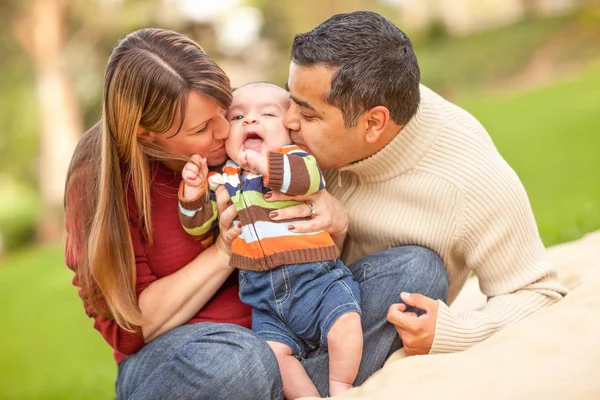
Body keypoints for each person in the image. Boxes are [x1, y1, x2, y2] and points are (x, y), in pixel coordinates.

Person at [64, 28, 449, 399]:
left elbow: (313, 260)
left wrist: (334, 220)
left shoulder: (254, 139)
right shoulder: (99, 179)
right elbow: (131, 329)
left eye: (224, 110)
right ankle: (286, 381)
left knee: (415, 273)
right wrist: (222, 251)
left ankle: (300, 387)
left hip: (293, 320)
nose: (223, 131)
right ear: (148, 134)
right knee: (242, 362)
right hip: (193, 356)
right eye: (201, 128)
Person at [264, 10, 568, 363]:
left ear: (373, 123)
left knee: (416, 270)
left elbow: (537, 291)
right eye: (290, 100)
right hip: (269, 297)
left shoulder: (467, 178)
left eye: (308, 114)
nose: (288, 121)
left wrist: (457, 331)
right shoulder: (286, 126)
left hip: (362, 308)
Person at [178, 82, 362, 398]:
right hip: (264, 300)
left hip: (318, 283)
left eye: (267, 113)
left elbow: (308, 179)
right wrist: (194, 196)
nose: (250, 121)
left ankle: (342, 387)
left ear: (290, 129)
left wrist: (265, 165)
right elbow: (199, 228)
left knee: (345, 323)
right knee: (273, 355)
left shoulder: (295, 158)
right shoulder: (225, 178)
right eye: (237, 117)